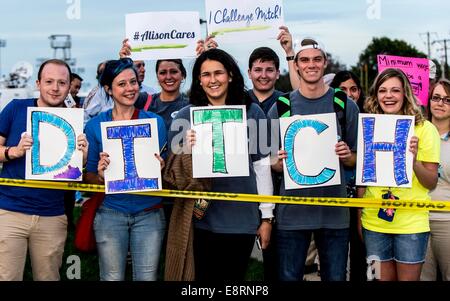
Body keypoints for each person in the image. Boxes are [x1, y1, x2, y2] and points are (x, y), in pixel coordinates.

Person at [167, 48, 274, 280]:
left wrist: (266, 217)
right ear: (198, 80)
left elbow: (262, 167)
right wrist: (186, 150)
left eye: (219, 73)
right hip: (201, 219)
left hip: (242, 218)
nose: (213, 80)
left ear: (231, 75)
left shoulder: (252, 112)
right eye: (206, 75)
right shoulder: (185, 116)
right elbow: (174, 177)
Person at [269, 37, 359, 281]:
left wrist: (346, 155)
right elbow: (270, 163)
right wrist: (277, 161)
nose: (311, 64)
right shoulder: (280, 106)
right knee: (289, 278)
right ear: (296, 65)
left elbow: (356, 160)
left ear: (325, 63)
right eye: (305, 60)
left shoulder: (344, 104)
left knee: (336, 277)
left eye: (317, 59)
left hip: (334, 214)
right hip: (292, 214)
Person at [0, 59, 88, 280]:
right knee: (7, 276)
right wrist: (13, 152)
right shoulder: (16, 108)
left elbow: (80, 172)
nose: (55, 88)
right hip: (10, 212)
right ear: (38, 83)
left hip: (52, 214)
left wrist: (83, 156)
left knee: (48, 277)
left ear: (69, 87)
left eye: (62, 82)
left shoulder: (73, 119)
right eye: (49, 81)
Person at [84, 58, 167, 281]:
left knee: (147, 277)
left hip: (149, 212)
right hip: (110, 212)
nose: (130, 89)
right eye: (122, 84)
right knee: (111, 277)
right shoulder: (94, 126)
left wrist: (161, 167)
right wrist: (100, 176)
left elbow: (167, 173)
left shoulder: (155, 122)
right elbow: (88, 178)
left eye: (133, 82)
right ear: (108, 89)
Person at [359, 68, 440, 281]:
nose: (388, 96)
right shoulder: (368, 125)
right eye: (382, 90)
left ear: (405, 93)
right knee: (376, 279)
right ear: (375, 95)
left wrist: (413, 162)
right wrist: (359, 219)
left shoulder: (425, 128)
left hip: (411, 224)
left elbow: (431, 182)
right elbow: (362, 178)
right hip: (374, 223)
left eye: (395, 90)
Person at [330, 70, 367, 281]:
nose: (349, 94)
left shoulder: (370, 118)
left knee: (360, 249)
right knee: (336, 254)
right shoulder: (326, 117)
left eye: (353, 89)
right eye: (342, 89)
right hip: (336, 195)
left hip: (361, 195)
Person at [119, 40, 189, 131]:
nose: (168, 77)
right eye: (163, 73)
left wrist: (208, 55)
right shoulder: (143, 100)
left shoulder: (190, 105)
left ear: (182, 75)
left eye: (173, 72)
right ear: (157, 76)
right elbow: (121, 95)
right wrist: (123, 63)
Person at [421, 79, 450, 281]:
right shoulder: (416, 134)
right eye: (436, 97)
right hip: (416, 220)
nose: (440, 103)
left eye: (448, 100)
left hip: (447, 221)